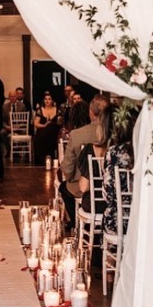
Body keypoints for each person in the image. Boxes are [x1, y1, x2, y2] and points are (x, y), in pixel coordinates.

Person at [60, 93, 110, 229]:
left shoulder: (77, 134)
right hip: (110, 188)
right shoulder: (114, 133)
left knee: (63, 188)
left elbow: (68, 167)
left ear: (91, 112)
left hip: (83, 187)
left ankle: (77, 224)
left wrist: (70, 177)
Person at [102, 106, 139, 235]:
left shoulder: (113, 152)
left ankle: (110, 253)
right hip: (143, 219)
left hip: (119, 222)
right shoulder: (148, 151)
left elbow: (108, 194)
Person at [33, 92, 61, 165]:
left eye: (49, 99)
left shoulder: (57, 110)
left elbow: (59, 123)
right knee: (41, 136)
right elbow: (36, 124)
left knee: (51, 126)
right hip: (42, 133)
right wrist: (45, 125)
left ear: (52, 101)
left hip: (53, 134)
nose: (47, 101)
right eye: (45, 99)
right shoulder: (40, 110)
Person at [0, 90, 26, 158]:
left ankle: (17, 150)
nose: (13, 98)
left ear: (16, 97)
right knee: (2, 132)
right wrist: (7, 127)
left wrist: (17, 127)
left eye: (14, 96)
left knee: (24, 133)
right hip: (8, 127)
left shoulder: (22, 106)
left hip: (19, 127)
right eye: (11, 96)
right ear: (9, 97)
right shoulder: (4, 107)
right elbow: (1, 120)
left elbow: (25, 121)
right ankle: (9, 150)